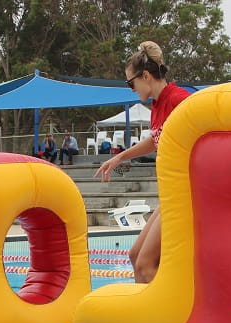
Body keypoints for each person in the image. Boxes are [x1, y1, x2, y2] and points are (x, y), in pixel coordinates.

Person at [94, 41, 191, 283]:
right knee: (134, 254)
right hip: (171, 195)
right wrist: (119, 157)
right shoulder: (158, 105)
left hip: (186, 195)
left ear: (145, 76)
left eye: (130, 83)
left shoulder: (180, 101)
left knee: (145, 265)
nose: (131, 89)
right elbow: (155, 140)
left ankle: (163, 320)